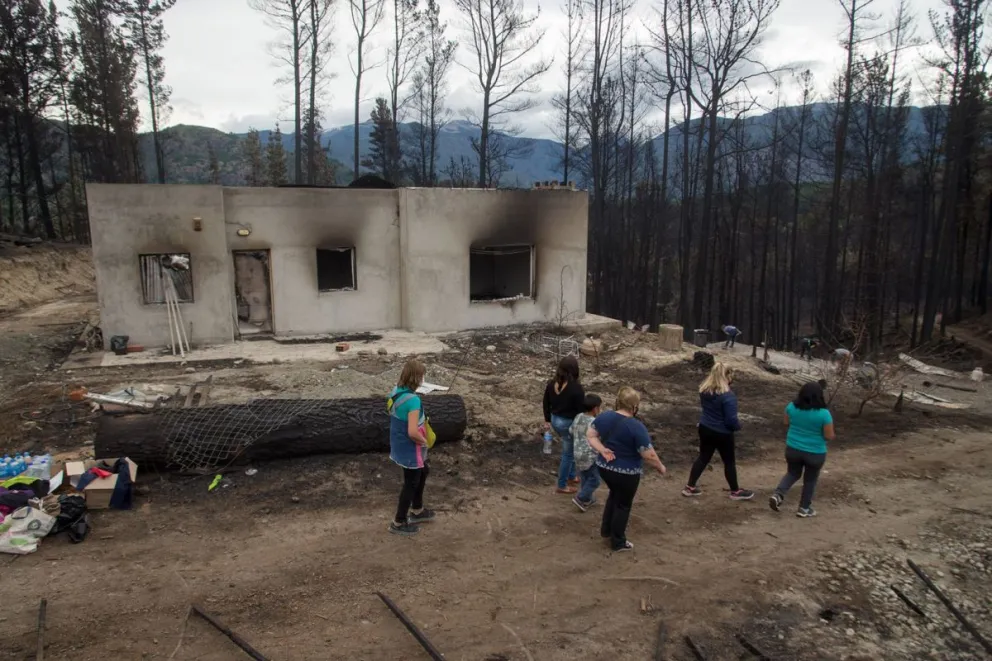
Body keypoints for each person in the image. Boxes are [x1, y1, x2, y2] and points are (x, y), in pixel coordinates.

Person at [586, 387, 666, 552]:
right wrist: (660, 466)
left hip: (604, 467)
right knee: (623, 504)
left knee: (614, 496)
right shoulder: (636, 427)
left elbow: (590, 435)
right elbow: (648, 454)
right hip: (626, 473)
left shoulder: (604, 416)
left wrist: (602, 449)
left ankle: (606, 530)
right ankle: (618, 541)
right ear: (635, 406)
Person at [682, 363, 754, 500]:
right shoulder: (728, 396)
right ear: (726, 376)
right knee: (729, 462)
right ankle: (735, 492)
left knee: (703, 457)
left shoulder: (704, 391)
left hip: (705, 428)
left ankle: (690, 487)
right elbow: (731, 421)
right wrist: (738, 427)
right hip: (722, 433)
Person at [769, 382, 835, 518]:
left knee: (792, 473)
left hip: (793, 449)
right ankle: (804, 508)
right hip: (815, 453)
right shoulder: (824, 414)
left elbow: (786, 423)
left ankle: (778, 494)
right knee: (810, 480)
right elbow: (828, 436)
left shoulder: (791, 407)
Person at [387, 359, 436, 536]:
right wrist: (424, 441)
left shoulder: (396, 391)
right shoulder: (413, 401)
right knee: (411, 483)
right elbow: (412, 431)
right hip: (411, 448)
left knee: (423, 471)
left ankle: (417, 509)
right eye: (422, 376)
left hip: (398, 443)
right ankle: (398, 522)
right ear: (417, 378)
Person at [543, 356, 585, 494]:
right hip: (568, 423)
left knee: (570, 449)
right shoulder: (576, 388)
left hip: (555, 420)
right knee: (568, 454)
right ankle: (562, 484)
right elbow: (581, 410)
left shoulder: (551, 384)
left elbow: (545, 402)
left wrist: (547, 419)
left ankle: (572, 476)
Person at [569, 394, 603, 512]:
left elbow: (571, 430)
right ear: (595, 408)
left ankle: (587, 500)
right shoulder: (595, 422)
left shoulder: (578, 417)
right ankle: (581, 498)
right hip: (590, 455)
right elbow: (599, 437)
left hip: (577, 453)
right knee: (595, 480)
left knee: (585, 477)